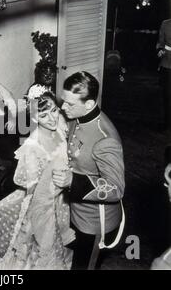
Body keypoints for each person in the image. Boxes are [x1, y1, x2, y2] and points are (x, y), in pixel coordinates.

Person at [0, 85, 75, 269]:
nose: (52, 118)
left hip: (60, 201)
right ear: (35, 117)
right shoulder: (33, 146)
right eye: (44, 115)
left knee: (59, 246)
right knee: (42, 251)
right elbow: (28, 185)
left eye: (54, 110)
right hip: (42, 207)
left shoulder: (60, 126)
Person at [53, 71, 125, 270]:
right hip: (76, 212)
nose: (63, 107)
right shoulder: (79, 115)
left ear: (89, 104)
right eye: (63, 101)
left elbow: (117, 188)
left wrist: (72, 181)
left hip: (94, 225)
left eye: (69, 104)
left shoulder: (105, 139)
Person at [157, 19, 171, 130]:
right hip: (167, 64)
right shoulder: (165, 24)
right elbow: (160, 42)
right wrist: (160, 49)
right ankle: (167, 123)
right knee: (167, 95)